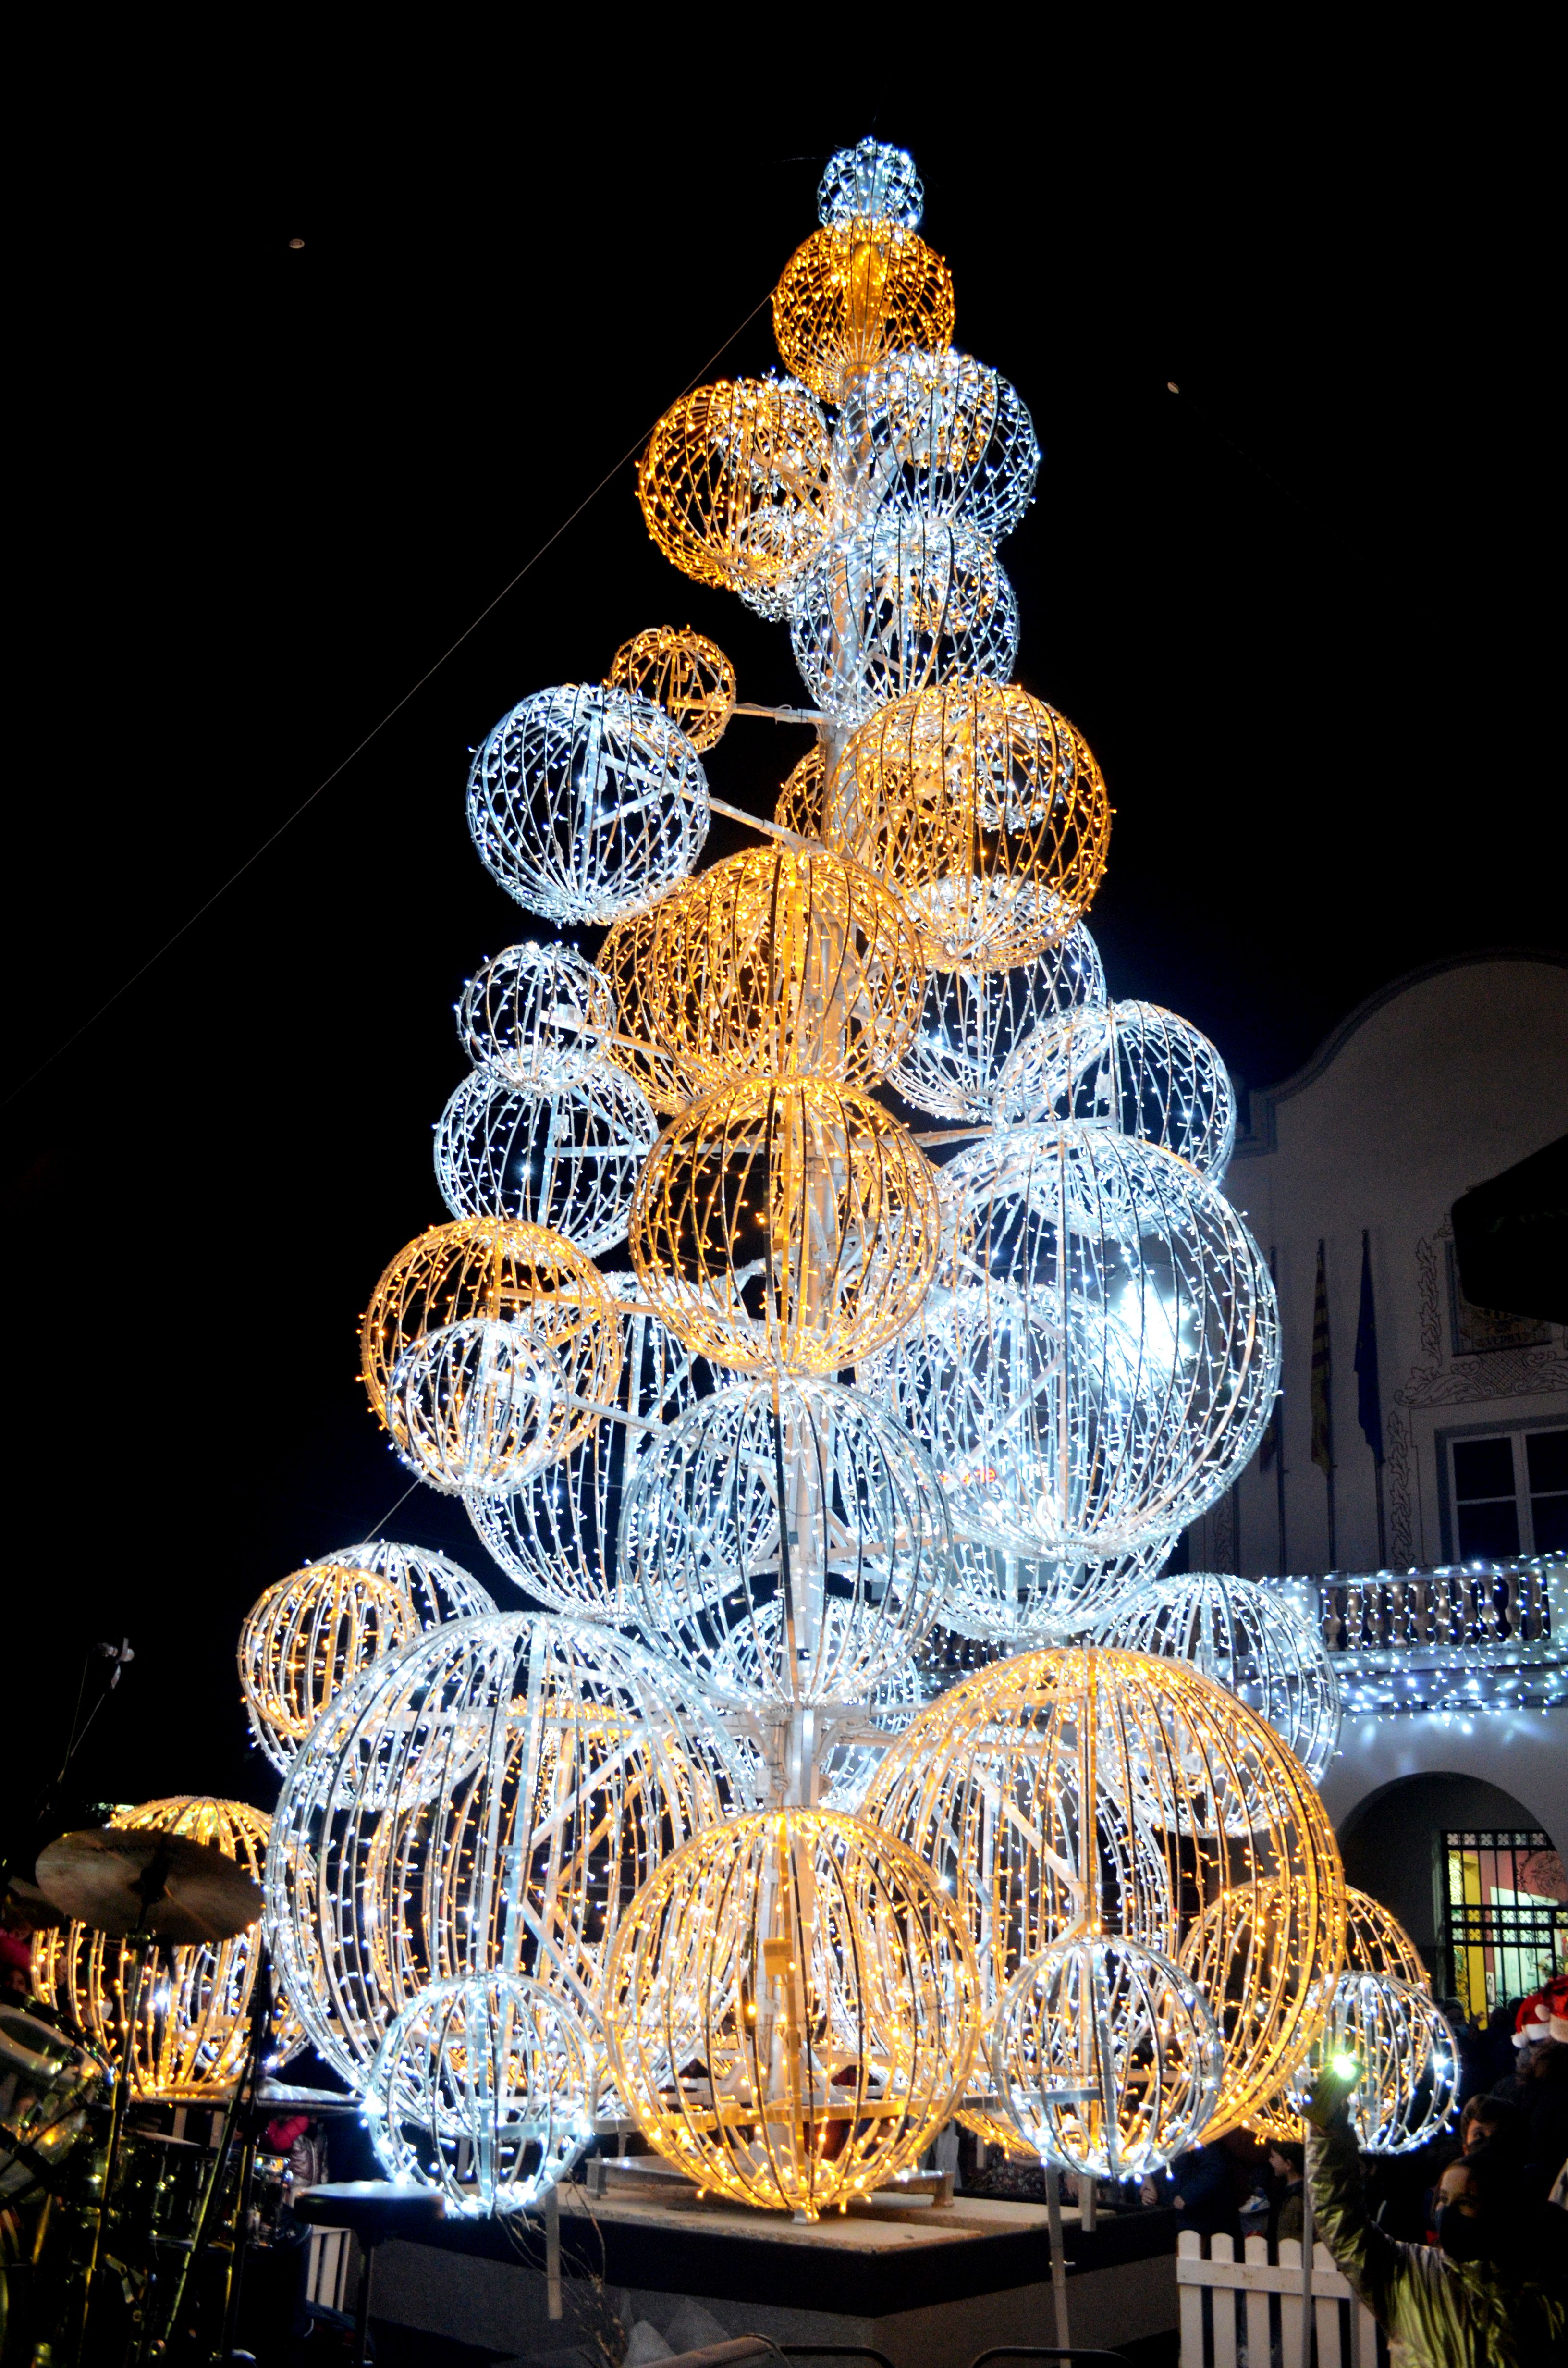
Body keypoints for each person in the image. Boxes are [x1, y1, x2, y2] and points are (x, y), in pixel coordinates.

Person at [1303, 2058, 1568, 2364]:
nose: (1450, 2212)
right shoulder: (1408, 2274)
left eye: (1466, 2202)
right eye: (1444, 2199)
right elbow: (1341, 2220)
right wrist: (1328, 2132)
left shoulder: (1538, 2297)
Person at [1265, 2140, 1305, 2246]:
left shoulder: (1297, 2199)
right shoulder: (1283, 2192)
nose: (1270, 2160)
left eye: (1274, 2157)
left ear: (1288, 2165)